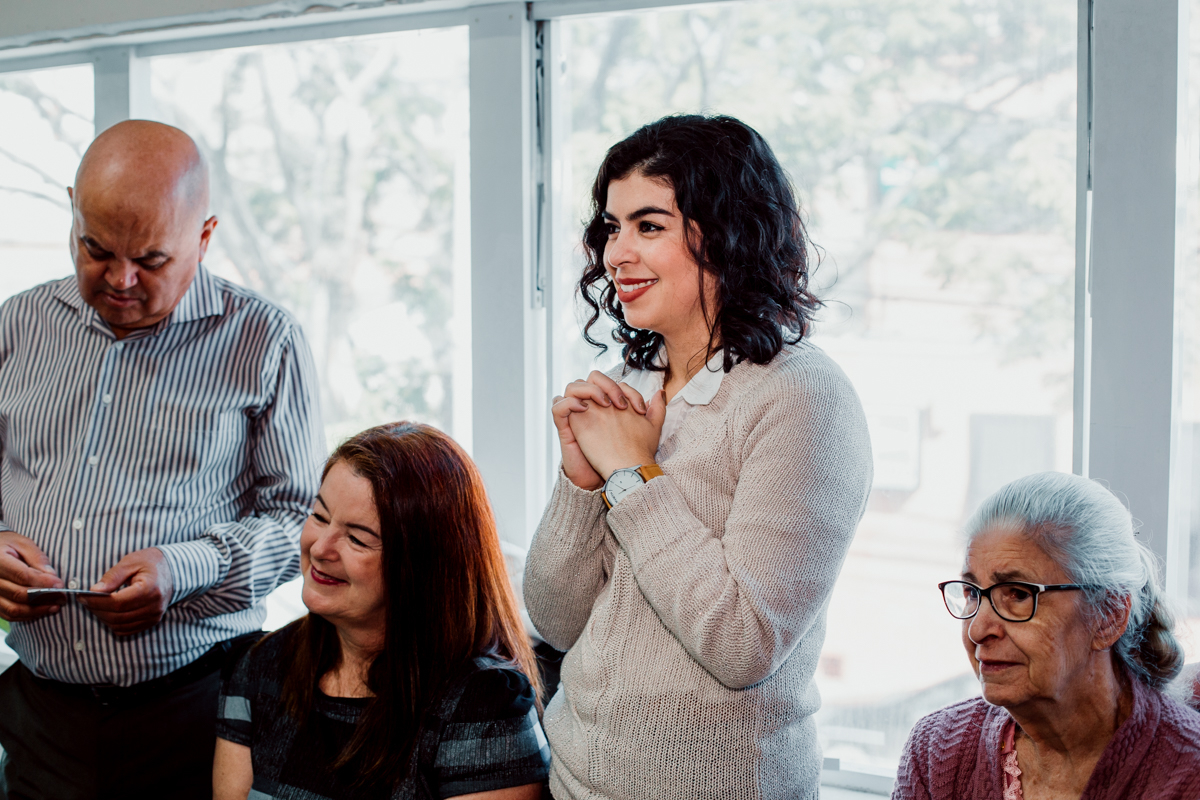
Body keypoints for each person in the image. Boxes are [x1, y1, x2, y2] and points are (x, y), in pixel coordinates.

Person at [523, 114, 874, 800]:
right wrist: (580, 482)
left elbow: (742, 646)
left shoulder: (804, 399)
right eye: (612, 228)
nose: (615, 254)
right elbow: (555, 621)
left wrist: (632, 476)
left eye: (648, 226)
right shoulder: (632, 387)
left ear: (728, 233)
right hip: (568, 781)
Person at [0, 120, 323, 799]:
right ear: (72, 211)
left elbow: (300, 521)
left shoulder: (265, 340)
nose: (120, 280)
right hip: (40, 713)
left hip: (199, 712)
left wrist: (185, 568)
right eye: (97, 250)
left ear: (203, 238)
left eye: (150, 260)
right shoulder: (15, 325)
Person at [212, 422, 549, 799]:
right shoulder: (257, 665)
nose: (320, 548)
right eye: (319, 516)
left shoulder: (485, 706)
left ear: (422, 566)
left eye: (357, 538)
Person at [894, 471, 1200, 800]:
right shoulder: (937, 752)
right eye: (972, 592)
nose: (978, 629)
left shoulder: (1188, 775)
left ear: (1109, 616)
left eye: (1017, 594)